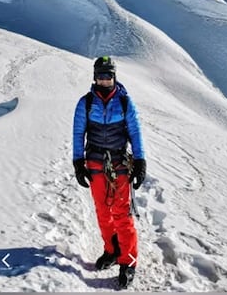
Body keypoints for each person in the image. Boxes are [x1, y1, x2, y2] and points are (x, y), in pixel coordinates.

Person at [72, 56, 146, 289]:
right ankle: (112, 250)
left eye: (109, 76)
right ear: (95, 77)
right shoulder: (85, 103)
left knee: (122, 214)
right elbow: (78, 134)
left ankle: (128, 262)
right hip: (95, 164)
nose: (105, 80)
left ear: (114, 76)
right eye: (101, 76)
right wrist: (78, 162)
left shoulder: (125, 102)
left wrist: (140, 161)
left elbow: (135, 132)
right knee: (103, 211)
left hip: (119, 164)